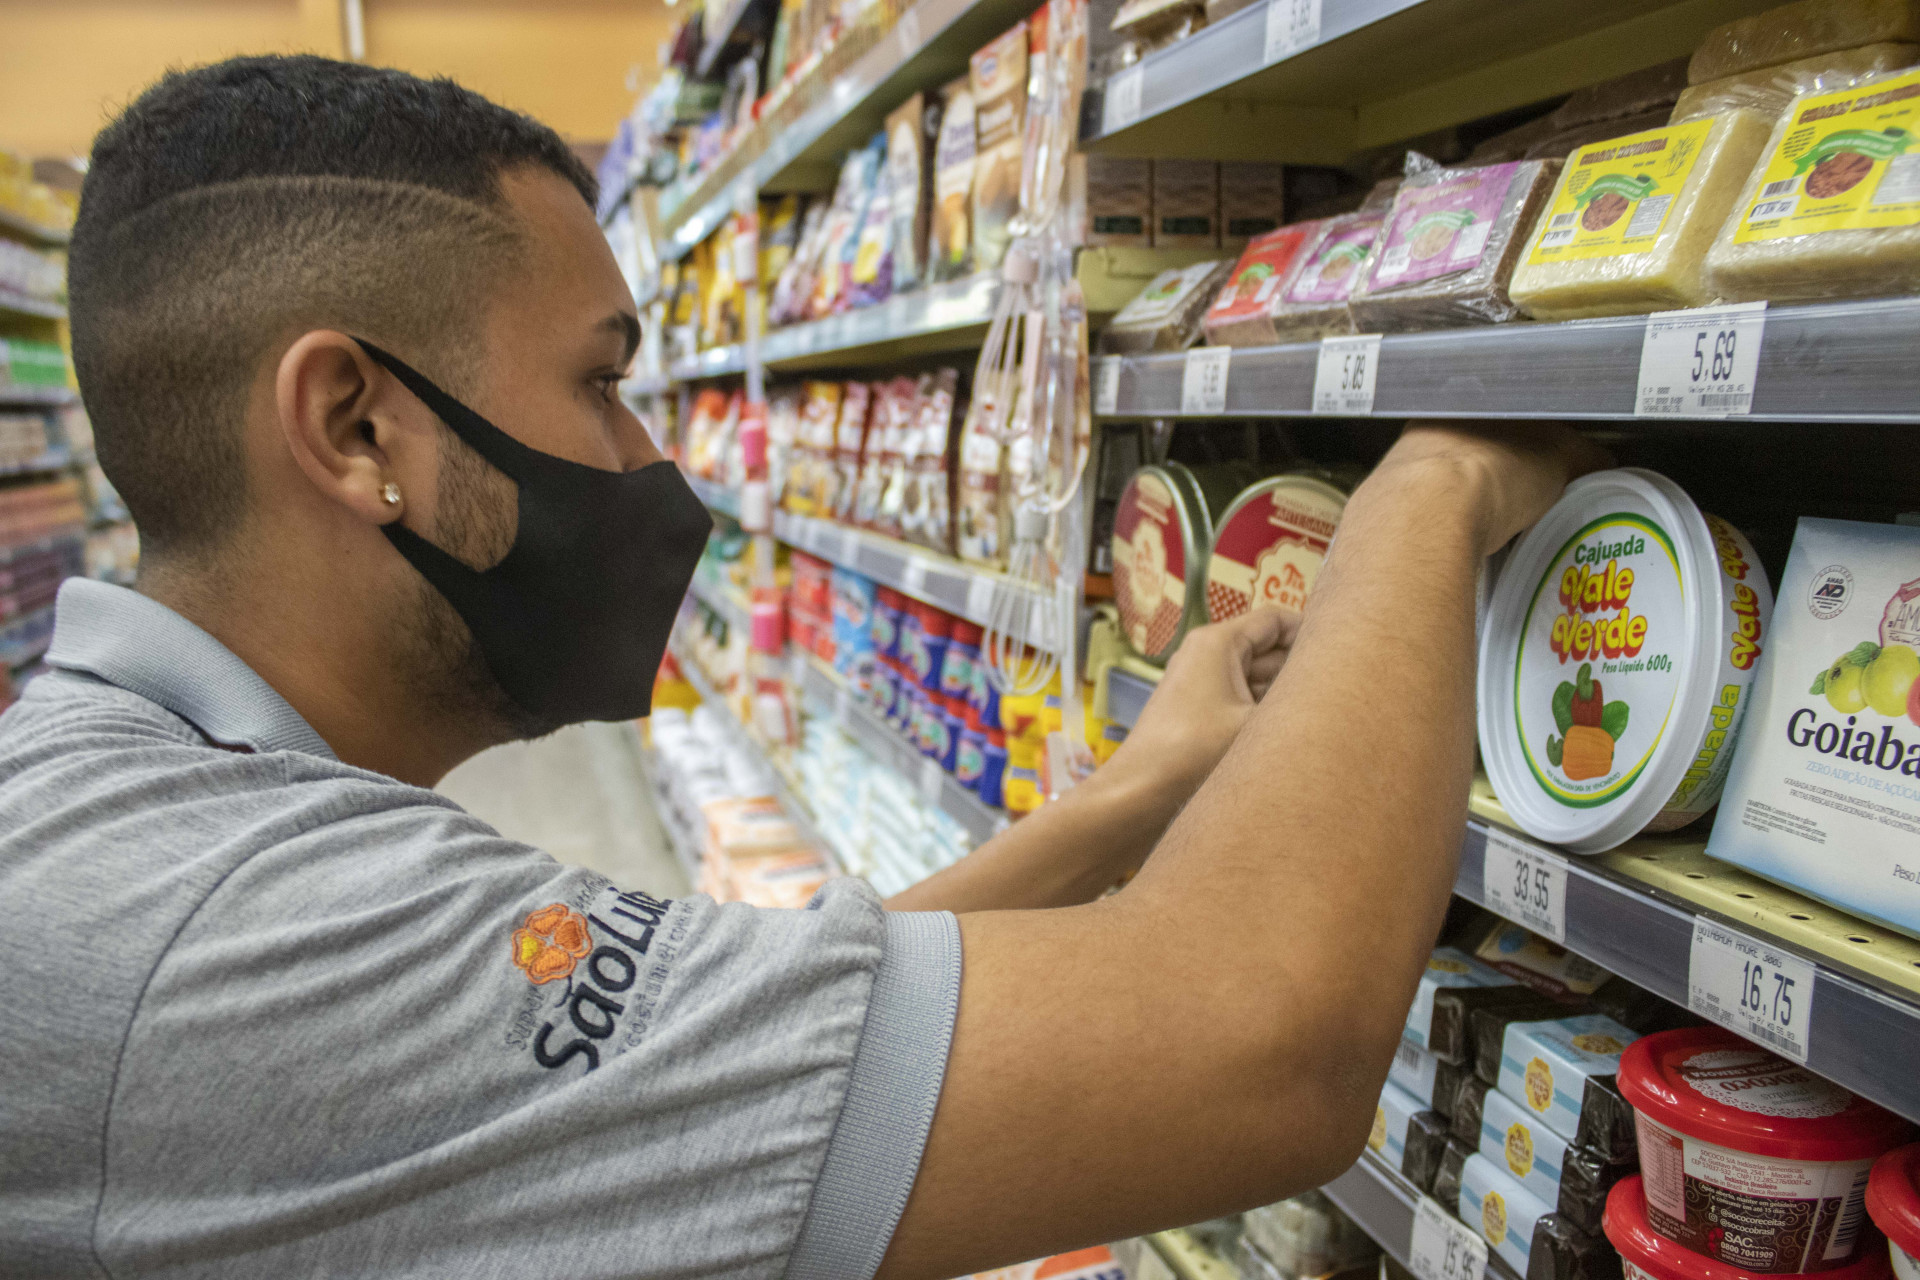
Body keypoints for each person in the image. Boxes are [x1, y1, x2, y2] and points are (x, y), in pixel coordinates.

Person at [0, 54, 1601, 1280]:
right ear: (358, 430)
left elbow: (732, 1043)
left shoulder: (145, 816)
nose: (650, 464)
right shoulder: (237, 942)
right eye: (605, 385)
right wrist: (1435, 484)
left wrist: (1148, 788)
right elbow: (1264, 1048)